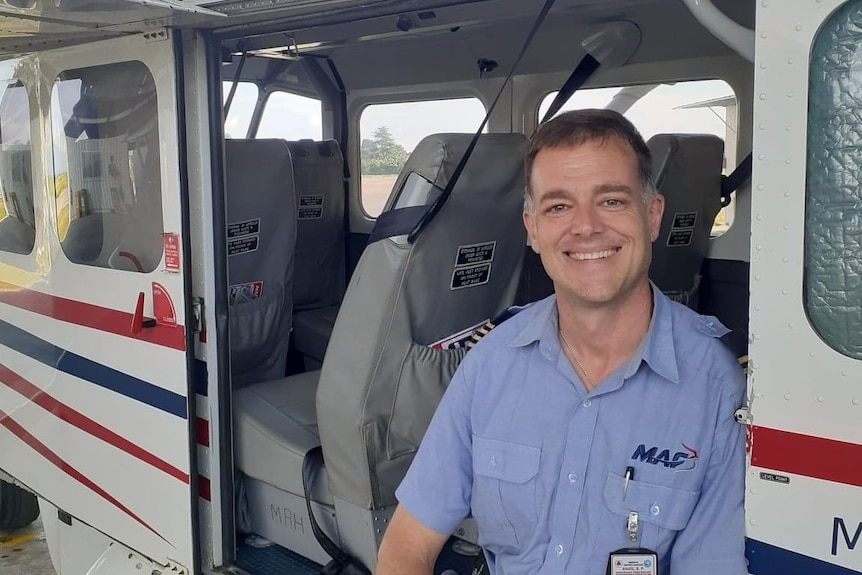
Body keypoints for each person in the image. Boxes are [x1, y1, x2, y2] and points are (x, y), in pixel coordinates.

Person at [377, 109, 747, 575]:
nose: (585, 226)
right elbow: (407, 544)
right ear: (533, 229)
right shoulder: (491, 363)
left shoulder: (716, 387)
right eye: (558, 207)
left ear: (652, 216)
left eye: (611, 201)